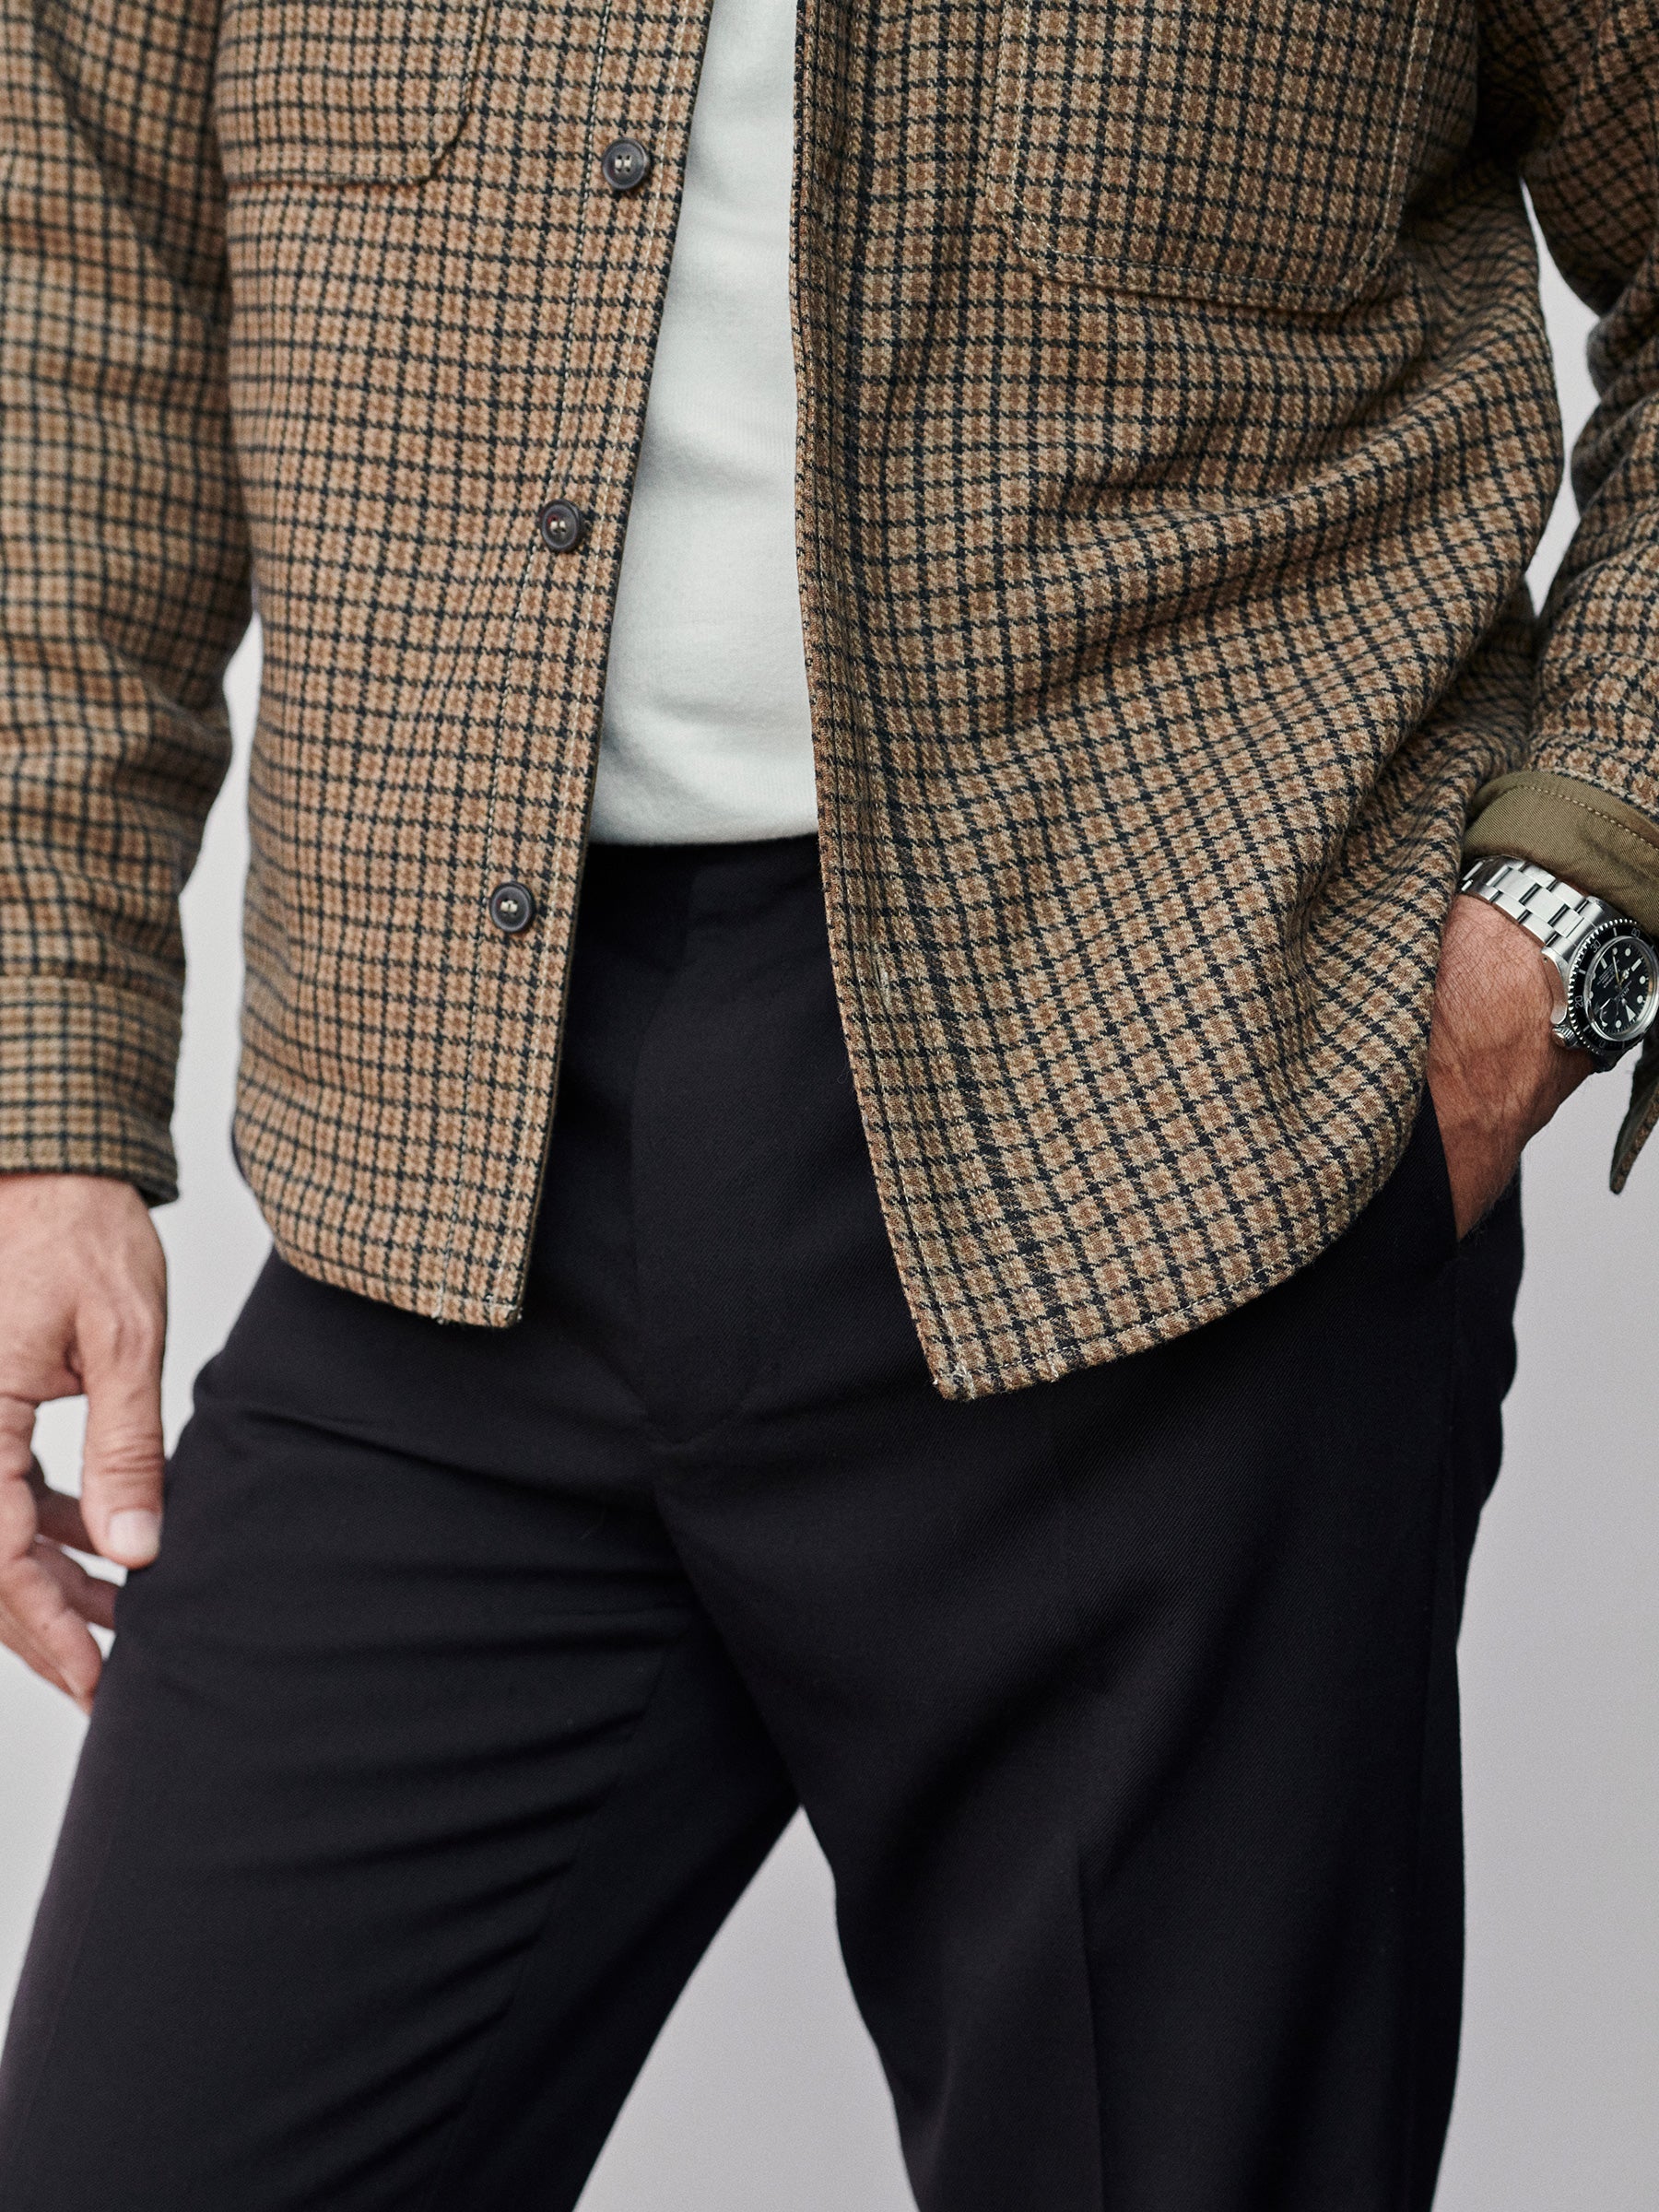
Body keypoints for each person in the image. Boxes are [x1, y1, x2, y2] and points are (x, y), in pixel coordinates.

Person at [1, 0, 1656, 2201]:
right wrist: (43, 1097)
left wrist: (1566, 916)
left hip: (1194, 1128)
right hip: (440, 1162)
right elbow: (78, 313)